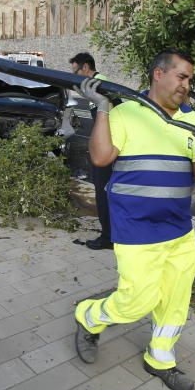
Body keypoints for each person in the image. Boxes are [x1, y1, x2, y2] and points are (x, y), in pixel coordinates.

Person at [73, 49, 195, 390]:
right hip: (136, 227)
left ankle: (160, 358)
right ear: (158, 74)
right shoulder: (126, 113)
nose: (187, 85)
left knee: (175, 300)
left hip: (179, 228)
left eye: (190, 79)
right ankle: (89, 317)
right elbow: (100, 156)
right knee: (137, 299)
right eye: (181, 76)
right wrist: (103, 111)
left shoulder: (192, 121)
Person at [70, 52, 113, 250]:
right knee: (103, 191)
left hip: (107, 149)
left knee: (102, 192)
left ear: (85, 68)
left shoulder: (99, 85)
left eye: (76, 71)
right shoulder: (95, 85)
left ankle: (107, 238)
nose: (76, 76)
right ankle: (110, 233)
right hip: (105, 146)